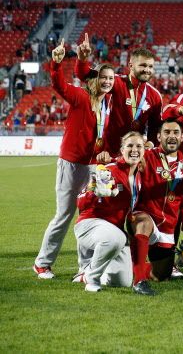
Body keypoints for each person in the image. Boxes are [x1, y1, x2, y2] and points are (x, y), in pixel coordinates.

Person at [33, 39, 116, 279]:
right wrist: (56, 64)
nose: (108, 82)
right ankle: (42, 263)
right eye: (103, 78)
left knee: (89, 215)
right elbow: (59, 85)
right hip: (71, 164)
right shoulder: (81, 96)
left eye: (111, 78)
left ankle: (86, 267)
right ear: (95, 79)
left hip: (93, 167)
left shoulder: (108, 104)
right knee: (65, 214)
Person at [129, 120, 183, 293]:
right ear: (159, 136)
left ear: (182, 137)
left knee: (161, 275)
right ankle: (139, 281)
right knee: (143, 223)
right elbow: (127, 160)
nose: (171, 136)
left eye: (176, 132)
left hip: (167, 228)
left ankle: (129, 269)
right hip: (145, 216)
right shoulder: (148, 156)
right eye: (167, 132)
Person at [73, 132, 145, 292]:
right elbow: (80, 200)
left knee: (122, 281)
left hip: (114, 231)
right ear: (121, 149)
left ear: (144, 150)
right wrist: (93, 192)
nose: (134, 150)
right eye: (130, 146)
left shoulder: (138, 175)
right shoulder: (109, 170)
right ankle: (91, 278)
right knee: (116, 238)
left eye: (138, 146)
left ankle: (87, 272)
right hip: (89, 225)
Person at [75, 34, 162, 157]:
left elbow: (155, 127)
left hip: (134, 156)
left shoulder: (155, 96)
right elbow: (86, 76)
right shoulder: (117, 83)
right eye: (143, 65)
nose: (147, 70)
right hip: (109, 153)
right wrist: (82, 60)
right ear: (131, 65)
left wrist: (151, 143)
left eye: (150, 66)